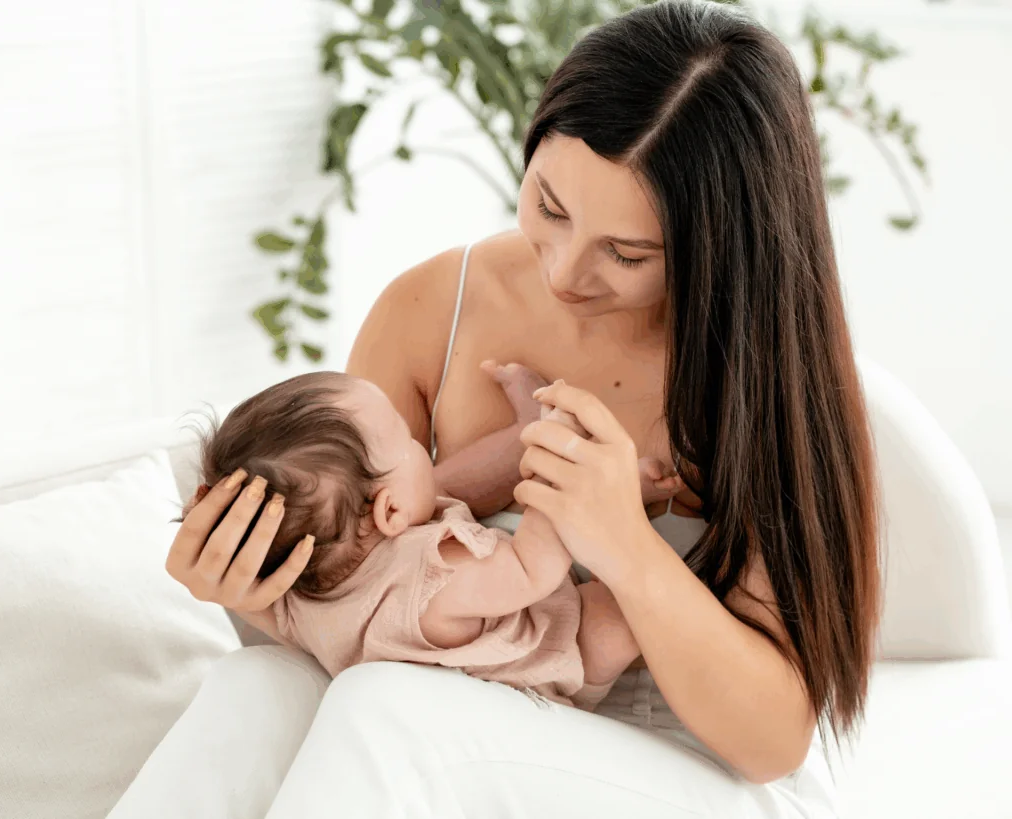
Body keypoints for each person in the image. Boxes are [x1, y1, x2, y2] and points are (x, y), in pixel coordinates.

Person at [117, 2, 880, 816]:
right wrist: (249, 588)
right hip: (445, 731)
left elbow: (770, 742)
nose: (564, 273)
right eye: (549, 206)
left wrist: (625, 542)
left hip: (692, 765)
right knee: (258, 684)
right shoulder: (431, 310)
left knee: (384, 705)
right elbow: (369, 606)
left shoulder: (765, 377)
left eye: (626, 253)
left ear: (719, 246)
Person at [182, 369, 662, 710]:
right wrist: (561, 465)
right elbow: (531, 567)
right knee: (613, 620)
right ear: (389, 511)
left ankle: (529, 432)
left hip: (452, 690)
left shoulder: (295, 604)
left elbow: (243, 592)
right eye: (408, 440)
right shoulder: (434, 577)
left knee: (446, 487)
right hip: (545, 672)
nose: (421, 447)